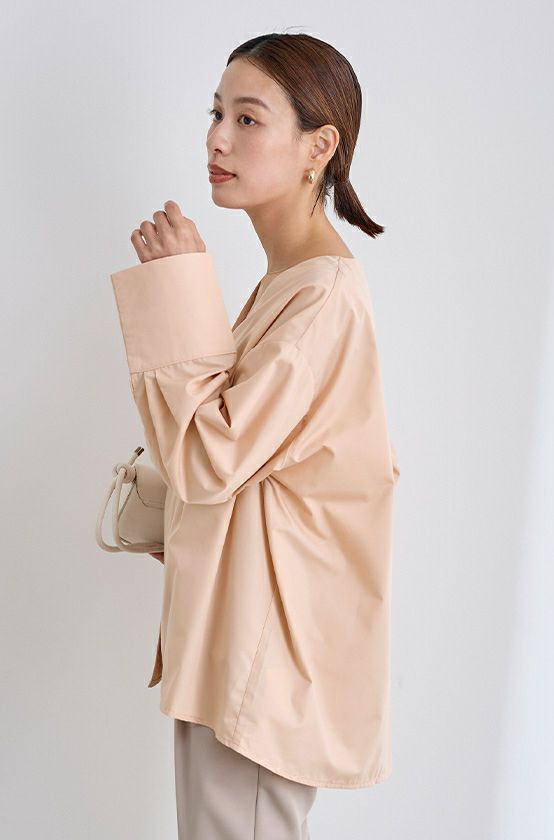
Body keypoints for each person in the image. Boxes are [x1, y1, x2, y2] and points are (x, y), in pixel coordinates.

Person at [109, 31, 400, 840]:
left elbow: (210, 459)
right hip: (240, 640)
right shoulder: (291, 282)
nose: (217, 139)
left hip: (263, 656)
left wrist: (177, 291)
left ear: (319, 146)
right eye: (216, 113)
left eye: (247, 119)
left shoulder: (322, 296)